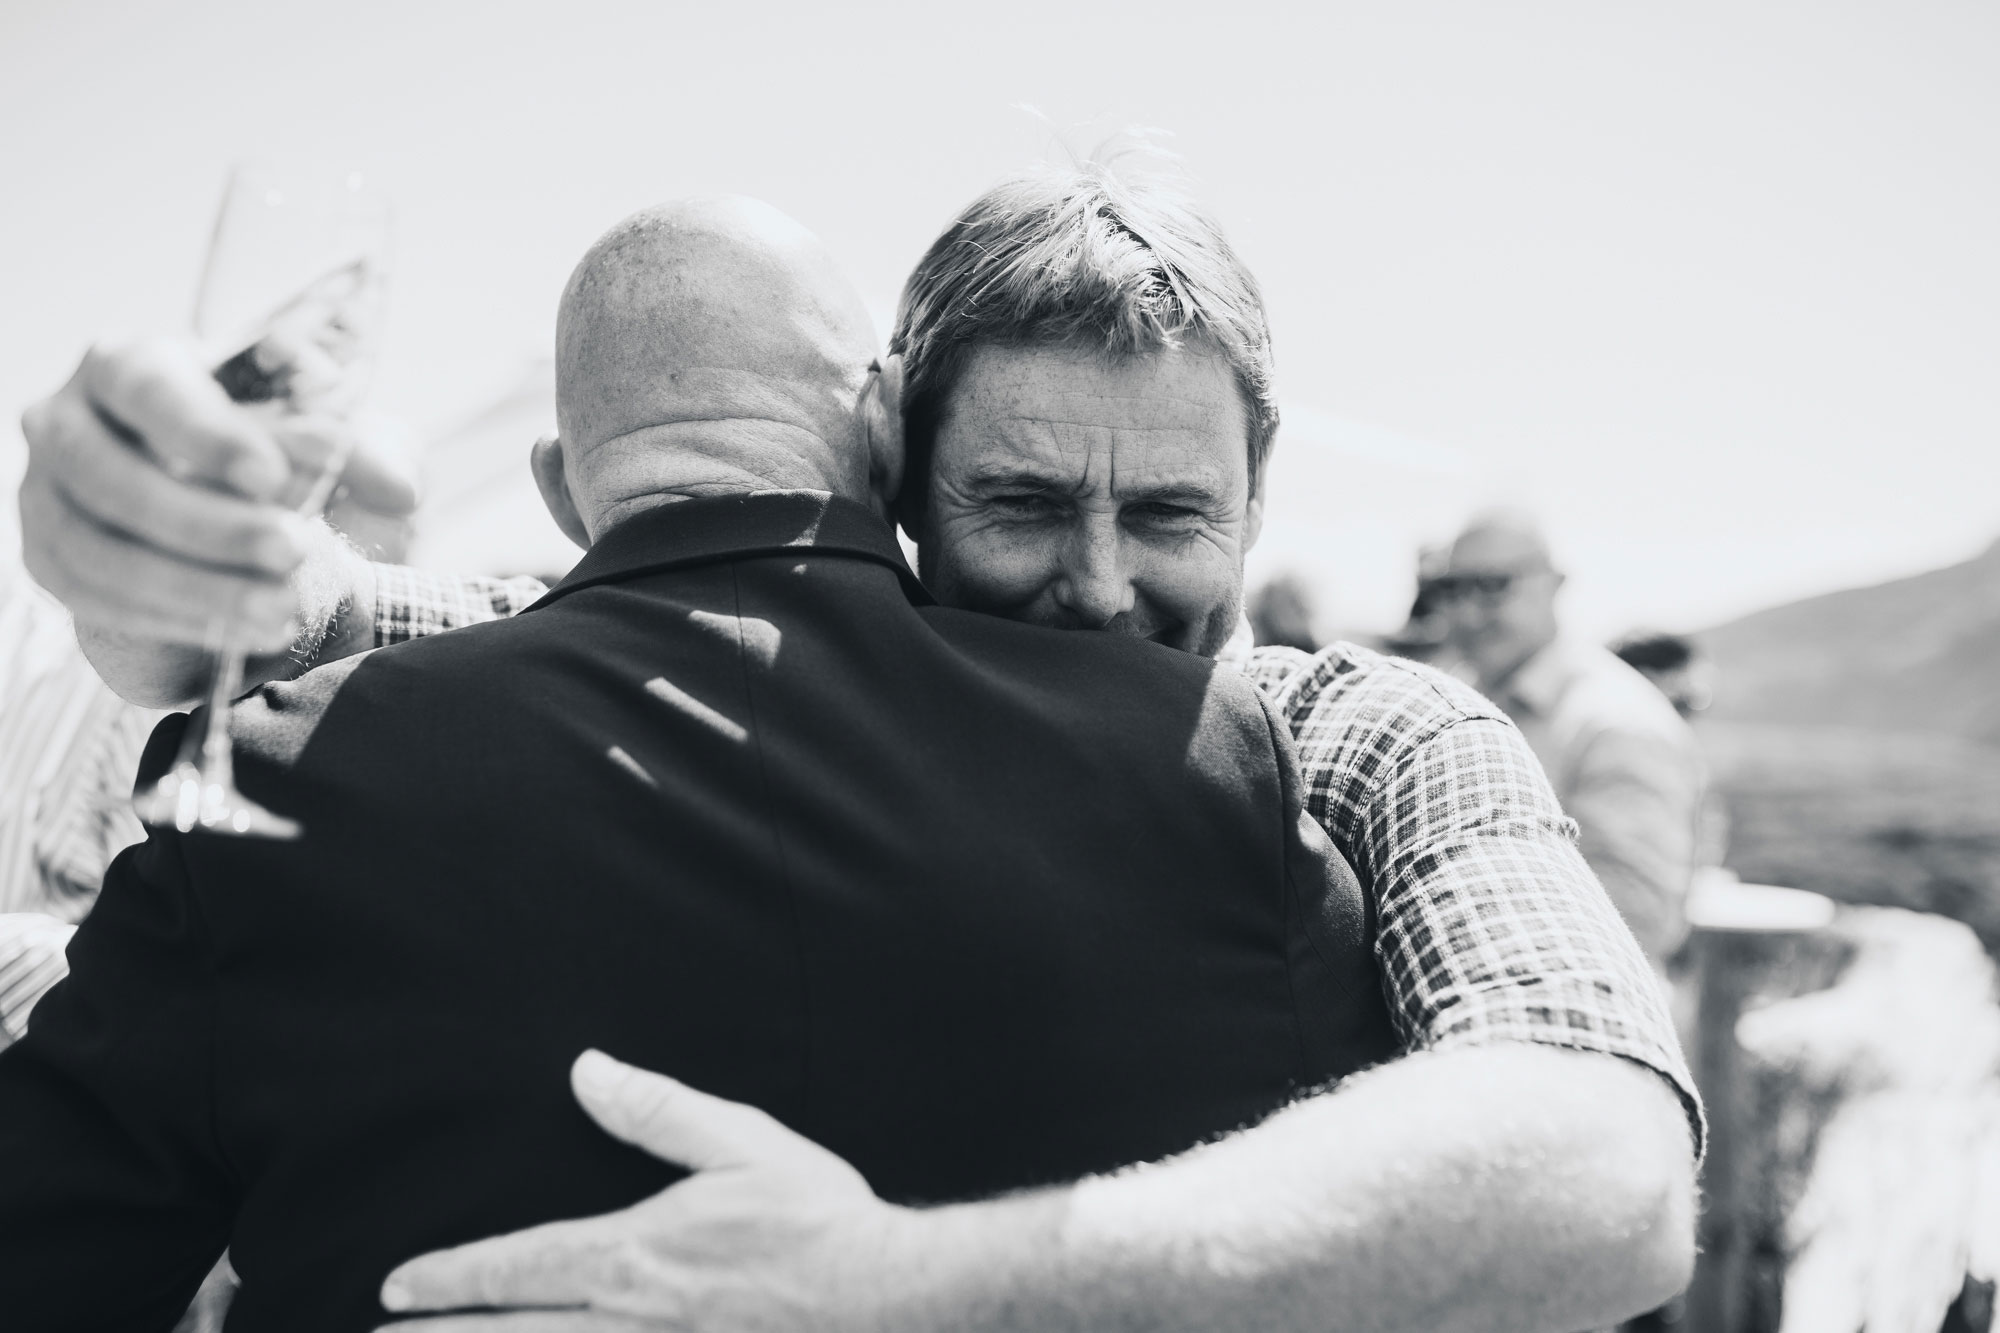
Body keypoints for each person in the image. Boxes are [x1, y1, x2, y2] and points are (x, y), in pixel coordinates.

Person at [19, 166, 1699, 1331]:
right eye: (1025, 505)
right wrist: (143, 536)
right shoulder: (752, 670)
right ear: (887, 472)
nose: (1104, 588)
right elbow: (386, 618)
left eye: (1174, 512)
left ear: (1259, 499)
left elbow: (1611, 1172)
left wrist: (898, 1285)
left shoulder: (1368, 738)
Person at [1437, 509, 1706, 966]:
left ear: (1555, 583)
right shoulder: (1452, 692)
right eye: (1451, 588)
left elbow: (1637, 919)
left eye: (1492, 585)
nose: (1466, 610)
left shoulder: (1618, 721)